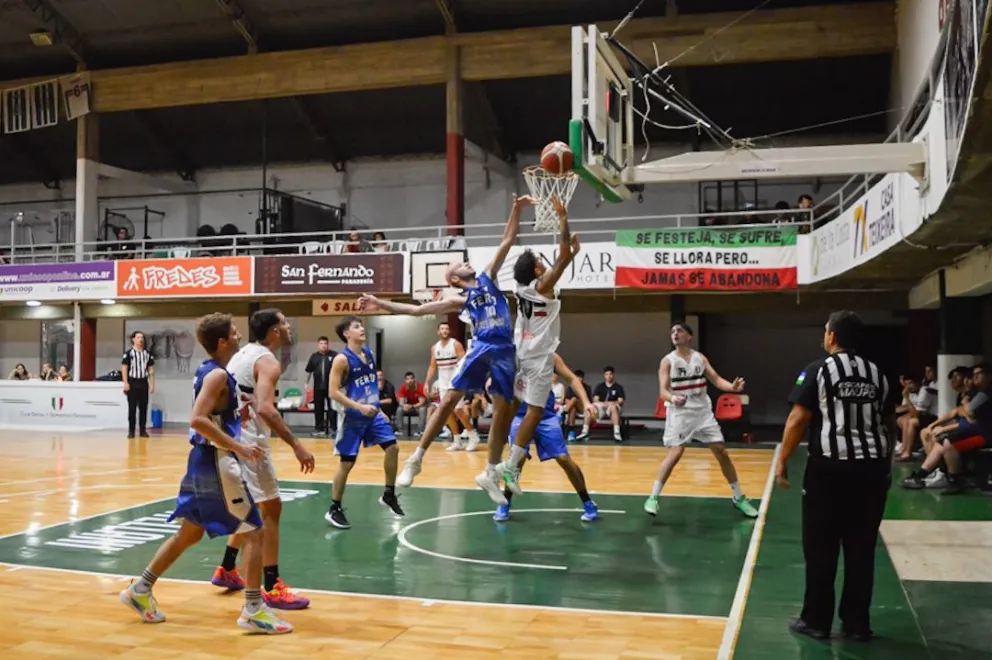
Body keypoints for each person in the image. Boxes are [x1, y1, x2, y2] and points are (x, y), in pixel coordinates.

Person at [119, 313, 292, 634]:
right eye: (235, 332)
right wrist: (238, 448)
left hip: (202, 460)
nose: (240, 336)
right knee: (254, 530)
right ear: (223, 341)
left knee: (190, 533)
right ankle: (254, 609)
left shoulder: (210, 371)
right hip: (216, 461)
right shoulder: (216, 376)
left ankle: (139, 590)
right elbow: (197, 419)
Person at [358, 194, 533, 504]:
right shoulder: (458, 299)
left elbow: (508, 239)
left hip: (505, 350)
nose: (466, 262)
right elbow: (416, 311)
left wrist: (516, 209)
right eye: (459, 264)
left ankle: (491, 472)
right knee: (449, 398)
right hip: (481, 347)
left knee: (506, 409)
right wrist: (379, 303)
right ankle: (416, 460)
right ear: (453, 277)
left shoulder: (487, 278)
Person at [777, 310, 893, 642]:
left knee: (820, 547)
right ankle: (857, 624)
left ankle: (816, 620)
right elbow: (887, 423)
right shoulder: (877, 373)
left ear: (831, 336)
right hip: (871, 470)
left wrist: (783, 459)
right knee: (861, 548)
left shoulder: (817, 370)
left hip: (829, 471)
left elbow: (798, 418)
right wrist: (886, 462)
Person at [211, 309, 315, 610]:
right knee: (271, 508)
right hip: (249, 443)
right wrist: (296, 444)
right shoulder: (268, 361)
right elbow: (268, 409)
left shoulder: (243, 354)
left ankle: (228, 567)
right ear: (273, 333)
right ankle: (272, 586)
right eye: (283, 322)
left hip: (233, 437)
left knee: (254, 508)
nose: (288, 326)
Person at [498, 196, 578, 491]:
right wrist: (562, 218)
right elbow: (564, 256)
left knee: (517, 408)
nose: (544, 264)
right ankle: (510, 468)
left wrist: (571, 253)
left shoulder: (520, 287)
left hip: (521, 355)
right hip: (539, 358)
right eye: (539, 263)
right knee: (534, 411)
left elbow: (565, 257)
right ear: (534, 271)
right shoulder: (541, 285)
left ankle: (501, 462)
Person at [644, 322, 758, 519]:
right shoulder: (668, 361)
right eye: (672, 331)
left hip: (703, 412)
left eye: (679, 331)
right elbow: (663, 391)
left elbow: (716, 379)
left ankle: (738, 497)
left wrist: (732, 387)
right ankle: (653, 497)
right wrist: (672, 398)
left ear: (689, 336)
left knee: (721, 451)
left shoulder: (700, 358)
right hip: (680, 414)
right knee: (675, 453)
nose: (675, 334)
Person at [495, 353, 598, 522]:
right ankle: (505, 502)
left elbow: (572, 379)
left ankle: (587, 501)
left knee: (564, 459)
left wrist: (586, 402)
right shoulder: (512, 354)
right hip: (520, 415)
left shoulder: (550, 355)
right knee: (516, 459)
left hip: (545, 415)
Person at [325, 316, 405, 529]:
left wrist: (378, 408)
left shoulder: (368, 353)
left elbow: (369, 386)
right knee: (347, 464)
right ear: (346, 334)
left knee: (393, 448)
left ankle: (389, 494)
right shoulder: (341, 360)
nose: (362, 329)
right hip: (352, 417)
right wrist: (360, 407)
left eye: (361, 326)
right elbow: (333, 392)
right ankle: (334, 508)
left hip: (373, 415)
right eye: (356, 327)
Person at [425, 321, 480, 451]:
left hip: (456, 382)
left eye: (446, 329)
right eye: (442, 328)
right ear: (438, 332)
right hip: (443, 383)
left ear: (449, 331)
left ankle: (473, 436)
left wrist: (465, 380)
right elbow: (433, 366)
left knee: (458, 410)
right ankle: (457, 440)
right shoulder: (435, 347)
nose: (444, 331)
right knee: (446, 411)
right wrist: (427, 382)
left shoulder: (456, 344)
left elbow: (464, 363)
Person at [122, 331, 155, 438]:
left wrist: (152, 384)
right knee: (132, 408)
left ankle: (142, 430)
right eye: (138, 337)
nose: (140, 339)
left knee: (143, 408)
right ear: (133, 339)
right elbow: (124, 368)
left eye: (142, 337)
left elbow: (151, 370)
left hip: (143, 382)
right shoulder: (128, 354)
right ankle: (131, 431)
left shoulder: (147, 354)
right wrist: (126, 382)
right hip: (133, 382)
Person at [304, 336, 337, 437]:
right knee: (318, 409)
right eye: (321, 344)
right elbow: (309, 371)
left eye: (325, 343)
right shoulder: (314, 356)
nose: (323, 346)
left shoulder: (334, 355)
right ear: (318, 345)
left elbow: (339, 371)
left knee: (333, 408)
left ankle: (334, 429)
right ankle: (319, 429)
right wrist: (306, 383)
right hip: (318, 387)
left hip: (331, 387)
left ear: (328, 345)